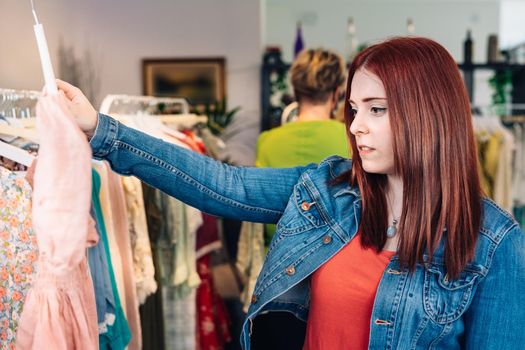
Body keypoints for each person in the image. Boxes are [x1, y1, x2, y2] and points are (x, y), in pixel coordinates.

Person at [44, 36, 524, 349]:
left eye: (376, 110)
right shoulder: (330, 190)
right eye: (354, 109)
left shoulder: (495, 244)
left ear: (428, 113)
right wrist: (102, 130)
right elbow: (222, 184)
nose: (356, 127)